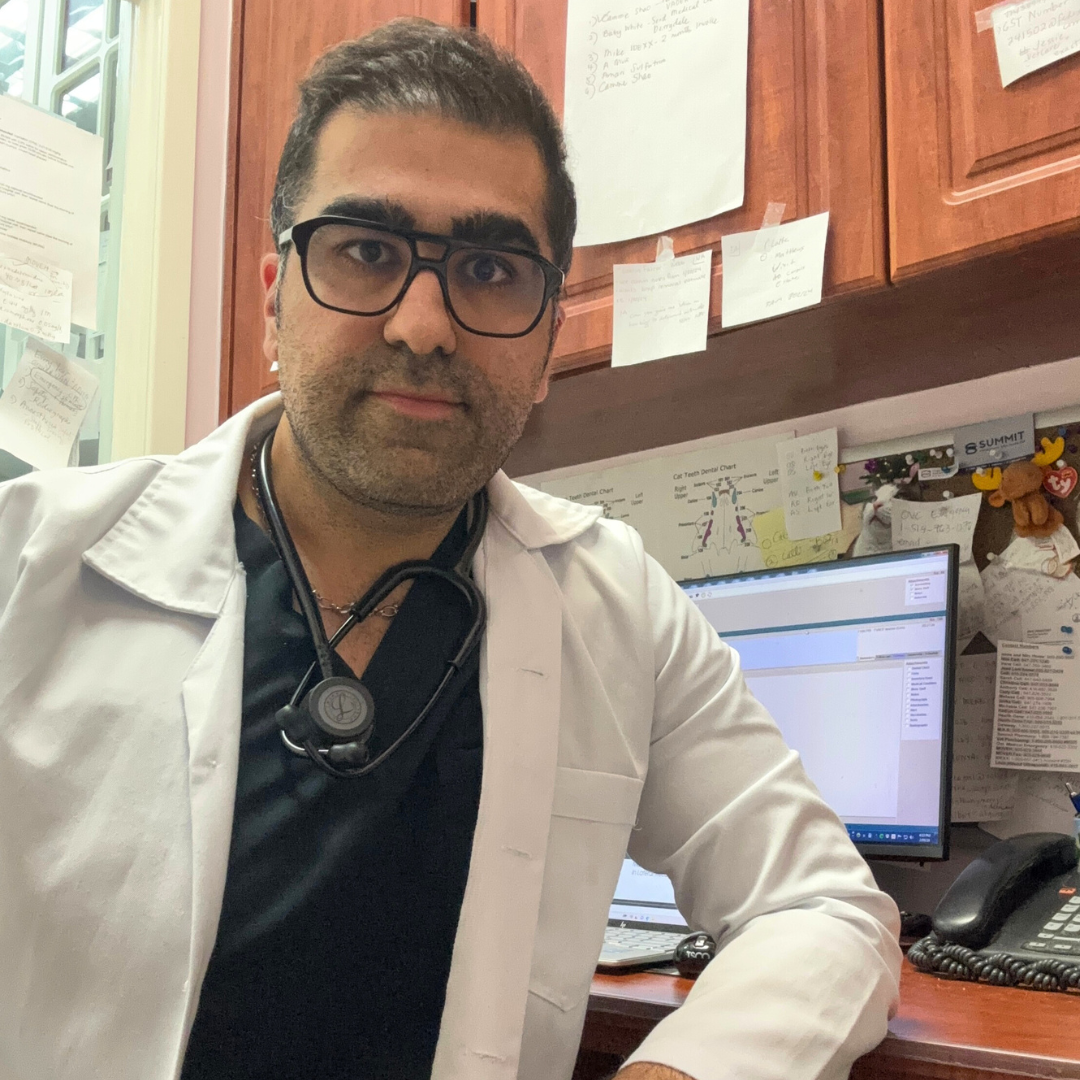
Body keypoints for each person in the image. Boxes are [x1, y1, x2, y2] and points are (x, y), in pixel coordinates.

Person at [0, 19, 901, 1080]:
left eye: (489, 268)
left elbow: (823, 908)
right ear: (274, 303)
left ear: (548, 340)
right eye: (367, 250)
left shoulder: (620, 607)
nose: (424, 324)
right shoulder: (29, 563)